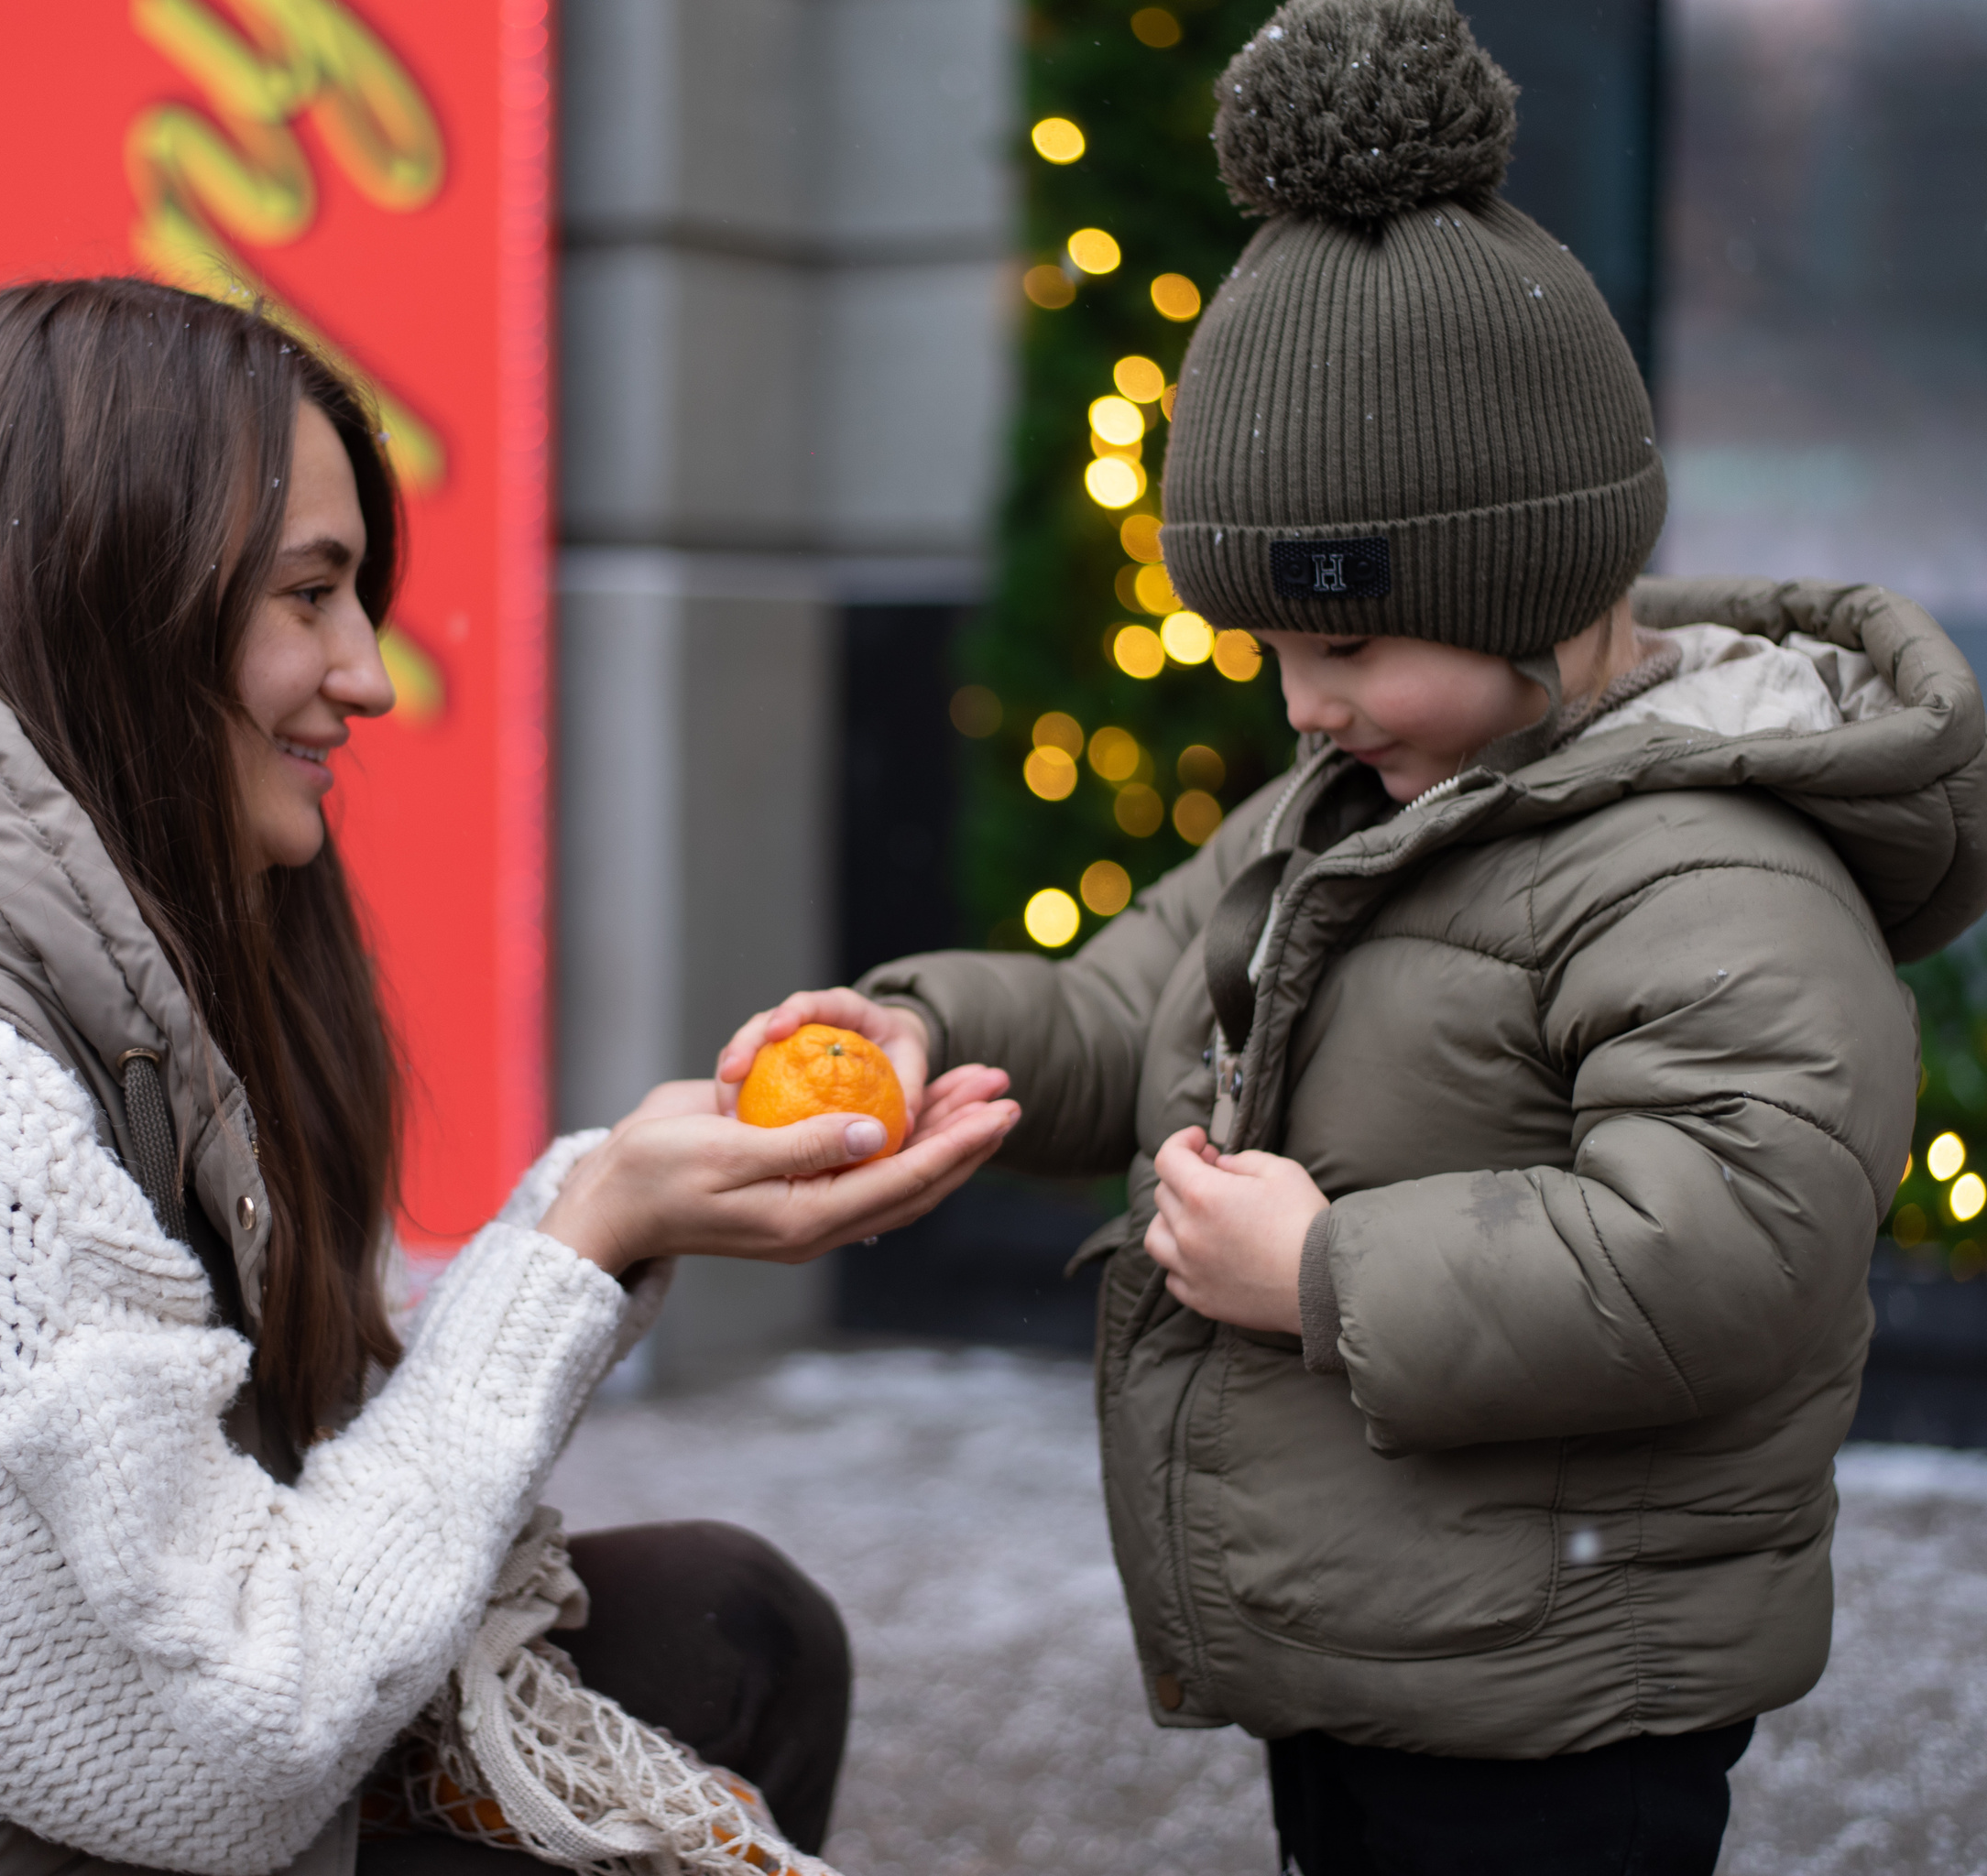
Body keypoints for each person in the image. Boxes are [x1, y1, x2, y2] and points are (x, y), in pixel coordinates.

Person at [718, 3, 1987, 1870]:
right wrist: (920, 1028)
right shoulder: (1345, 817)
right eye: (1272, 657)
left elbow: (1730, 1242)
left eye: (1336, 646)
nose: (1297, 706)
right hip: (1380, 1641)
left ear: (1522, 596)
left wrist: (1326, 1269)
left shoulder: (1715, 864)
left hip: (1567, 1681)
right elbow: (1126, 994)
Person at [0, 277, 1019, 1876]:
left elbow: (276, 1487)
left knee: (734, 1624)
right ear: (107, 588)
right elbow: (228, 1744)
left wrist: (617, 1209)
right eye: (311, 594)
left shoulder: (76, 923)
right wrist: (568, 1253)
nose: (365, 675)